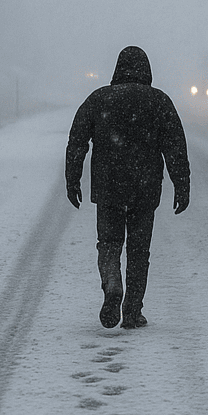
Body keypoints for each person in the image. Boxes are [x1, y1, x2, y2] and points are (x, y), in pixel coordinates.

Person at [65, 46, 191, 330]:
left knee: (108, 243)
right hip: (145, 188)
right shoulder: (159, 101)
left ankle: (112, 284)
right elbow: (175, 148)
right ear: (146, 70)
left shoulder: (98, 99)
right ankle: (133, 311)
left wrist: (72, 179)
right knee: (138, 250)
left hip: (108, 186)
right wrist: (182, 184)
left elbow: (77, 141)